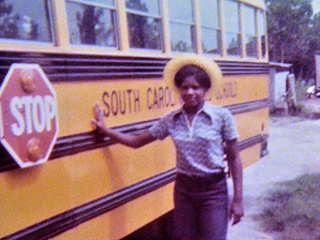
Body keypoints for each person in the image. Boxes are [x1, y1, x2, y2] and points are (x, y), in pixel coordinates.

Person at [91, 55, 244, 240]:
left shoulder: (221, 116)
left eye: (196, 87)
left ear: (205, 89)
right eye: (185, 87)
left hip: (214, 192)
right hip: (184, 191)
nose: (189, 92)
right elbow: (136, 142)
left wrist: (237, 199)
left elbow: (234, 158)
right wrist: (106, 130)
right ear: (178, 89)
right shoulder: (172, 119)